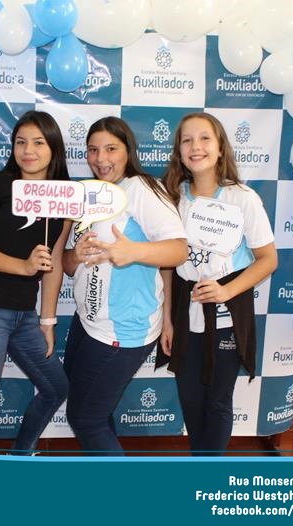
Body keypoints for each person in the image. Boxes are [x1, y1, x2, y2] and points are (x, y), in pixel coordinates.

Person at [62, 116, 187, 455]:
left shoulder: (142, 188)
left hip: (123, 329)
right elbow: (69, 266)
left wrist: (134, 252)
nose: (100, 158)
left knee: (85, 419)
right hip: (88, 321)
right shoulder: (90, 194)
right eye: (92, 150)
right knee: (94, 413)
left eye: (111, 149)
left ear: (128, 151)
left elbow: (178, 250)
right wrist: (74, 255)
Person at [160, 112, 278, 456]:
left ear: (221, 147)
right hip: (184, 313)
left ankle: (207, 473)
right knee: (190, 399)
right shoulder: (172, 197)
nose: (195, 147)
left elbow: (268, 259)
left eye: (204, 138)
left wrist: (226, 291)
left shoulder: (243, 198)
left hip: (227, 313)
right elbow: (166, 264)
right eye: (187, 140)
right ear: (179, 151)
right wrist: (167, 320)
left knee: (217, 401)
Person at [0, 110, 71, 454]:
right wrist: (22, 266)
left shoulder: (64, 197)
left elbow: (54, 264)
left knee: (56, 387)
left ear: (54, 148)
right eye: (21, 142)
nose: (28, 150)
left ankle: (21, 454)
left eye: (38, 142)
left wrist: (47, 321)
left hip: (25, 316)